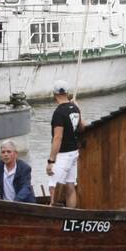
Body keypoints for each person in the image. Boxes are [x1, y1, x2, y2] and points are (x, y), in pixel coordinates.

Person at [46, 80, 82, 208]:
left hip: (63, 154)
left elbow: (57, 137)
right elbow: (82, 126)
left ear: (54, 94)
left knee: (53, 187)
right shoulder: (75, 108)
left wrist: (51, 161)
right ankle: (71, 214)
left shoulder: (59, 113)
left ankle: (53, 218)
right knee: (70, 186)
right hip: (74, 152)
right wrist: (78, 108)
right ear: (67, 93)